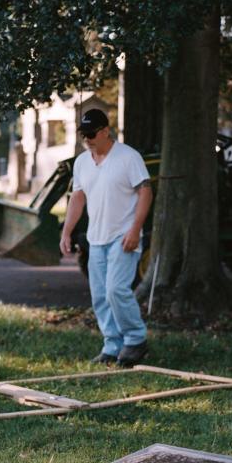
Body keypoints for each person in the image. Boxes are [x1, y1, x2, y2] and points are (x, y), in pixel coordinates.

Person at [60, 109, 153, 367]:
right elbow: (77, 197)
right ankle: (112, 345)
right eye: (83, 135)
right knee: (100, 295)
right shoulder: (81, 163)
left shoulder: (128, 157)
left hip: (124, 236)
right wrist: (66, 231)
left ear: (105, 132)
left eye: (91, 134)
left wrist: (136, 229)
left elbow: (145, 192)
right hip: (95, 239)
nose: (87, 140)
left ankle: (135, 341)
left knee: (116, 290)